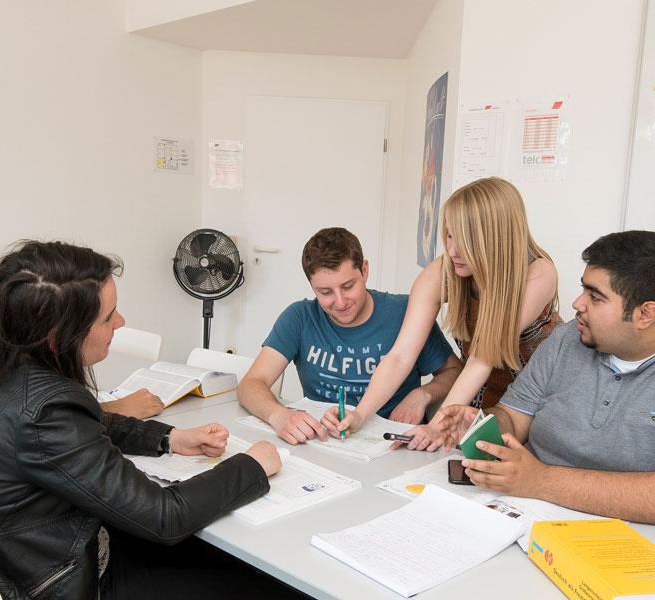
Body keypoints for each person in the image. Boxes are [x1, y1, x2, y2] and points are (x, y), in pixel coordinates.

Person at [0, 240, 302, 599]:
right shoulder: (46, 410)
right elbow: (165, 516)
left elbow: (86, 425)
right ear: (57, 337)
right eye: (107, 317)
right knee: (274, 581)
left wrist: (168, 438)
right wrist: (252, 464)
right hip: (67, 580)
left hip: (28, 561)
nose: (121, 322)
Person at [324, 177, 561, 451]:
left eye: (465, 240)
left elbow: (482, 358)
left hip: (538, 406)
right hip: (479, 398)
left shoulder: (538, 273)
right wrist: (360, 414)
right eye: (449, 235)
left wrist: (436, 426)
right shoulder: (443, 271)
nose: (452, 250)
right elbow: (400, 356)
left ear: (495, 239)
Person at [436, 230, 655, 524]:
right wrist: (481, 426)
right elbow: (513, 418)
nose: (577, 303)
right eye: (583, 290)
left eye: (595, 297)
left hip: (618, 535)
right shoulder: (566, 339)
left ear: (646, 314)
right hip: (520, 511)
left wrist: (541, 480)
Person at [239, 227, 462, 445]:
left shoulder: (407, 314)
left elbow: (453, 371)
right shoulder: (300, 318)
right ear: (312, 287)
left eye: (348, 286)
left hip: (394, 442)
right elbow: (251, 384)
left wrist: (423, 395)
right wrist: (279, 415)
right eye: (326, 292)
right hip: (324, 443)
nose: (340, 302)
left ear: (364, 271)